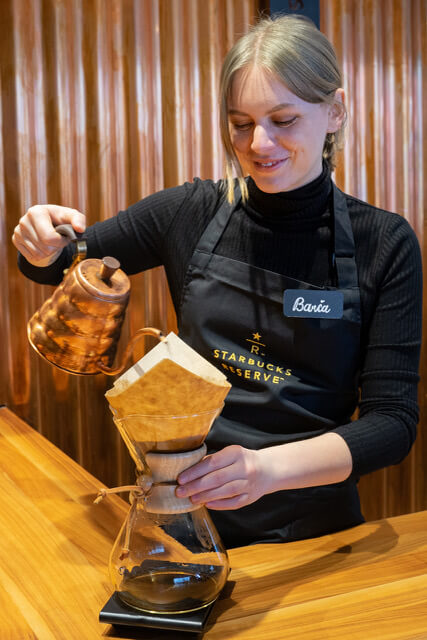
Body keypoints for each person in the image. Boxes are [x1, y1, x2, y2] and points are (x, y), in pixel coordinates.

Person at [12, 14, 422, 548]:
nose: (259, 143)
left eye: (283, 119)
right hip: (186, 518)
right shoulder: (191, 211)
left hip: (315, 532)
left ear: (335, 111)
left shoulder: (383, 241)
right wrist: (40, 242)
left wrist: (265, 471)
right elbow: (61, 262)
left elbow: (393, 423)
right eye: (240, 123)